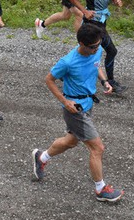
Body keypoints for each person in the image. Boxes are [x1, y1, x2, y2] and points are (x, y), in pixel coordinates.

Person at [32, 23, 124, 203]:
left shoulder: (96, 49)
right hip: (75, 110)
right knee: (97, 148)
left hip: (88, 104)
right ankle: (101, 189)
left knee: (71, 141)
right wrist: (65, 102)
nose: (97, 49)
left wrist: (104, 81)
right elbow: (49, 80)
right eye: (93, 46)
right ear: (82, 43)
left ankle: (41, 157)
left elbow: (96, 65)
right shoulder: (68, 62)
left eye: (99, 44)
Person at [68, 0, 126, 94]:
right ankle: (110, 82)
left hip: (102, 20)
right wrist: (84, 11)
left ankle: (67, 71)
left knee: (86, 50)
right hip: (92, 23)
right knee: (110, 50)